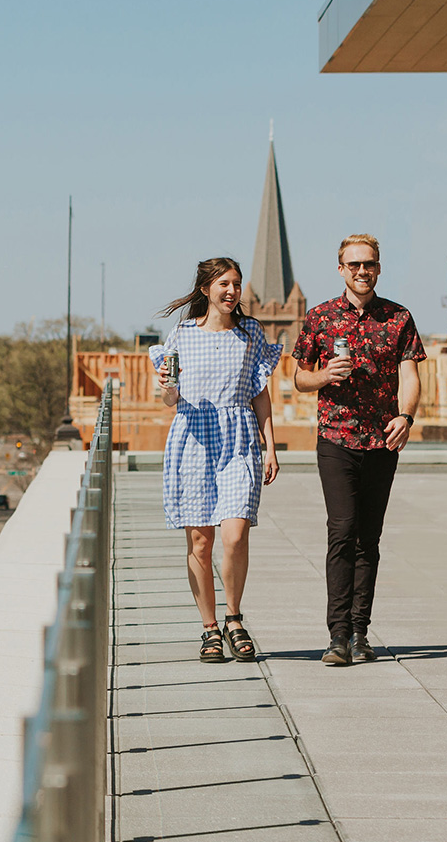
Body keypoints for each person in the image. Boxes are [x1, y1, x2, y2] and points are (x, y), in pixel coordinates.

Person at [293, 234, 425, 666]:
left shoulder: (399, 318)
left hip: (383, 440)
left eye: (368, 264)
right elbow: (299, 379)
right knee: (341, 532)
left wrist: (405, 417)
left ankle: (360, 634)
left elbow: (410, 375)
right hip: (336, 438)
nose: (361, 272)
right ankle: (336, 636)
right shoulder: (320, 318)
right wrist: (325, 375)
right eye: (353, 265)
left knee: (369, 539)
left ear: (379, 267)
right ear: (340, 269)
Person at [150, 257, 281, 663]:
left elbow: (259, 391)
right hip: (193, 438)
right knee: (201, 542)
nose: (232, 291)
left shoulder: (251, 333)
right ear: (206, 289)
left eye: (237, 284)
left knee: (236, 534)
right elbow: (169, 397)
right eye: (224, 283)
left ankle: (234, 617)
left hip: (239, 436)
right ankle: (210, 628)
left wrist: (270, 445)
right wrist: (166, 388)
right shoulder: (182, 335)